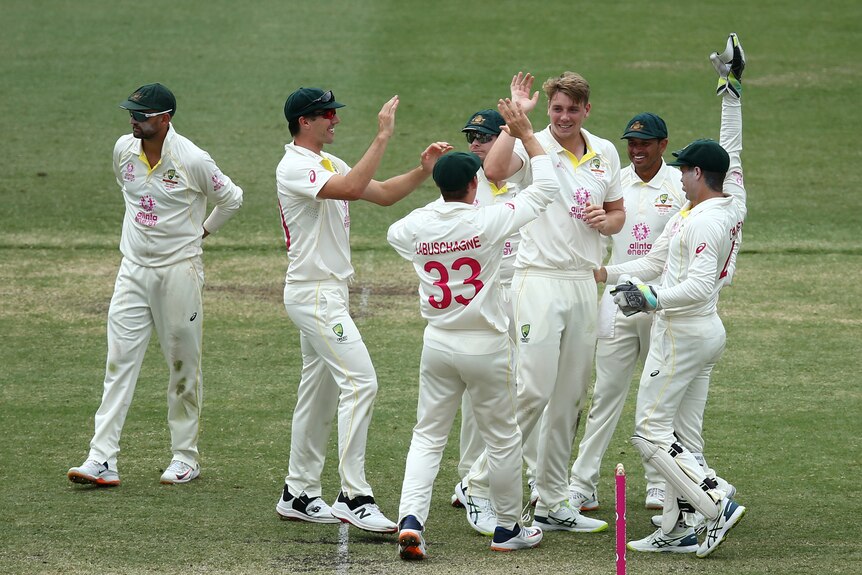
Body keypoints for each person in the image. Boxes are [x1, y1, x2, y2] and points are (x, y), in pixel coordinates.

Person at [273, 87, 450, 534]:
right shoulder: (294, 165)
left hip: (327, 291)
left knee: (319, 393)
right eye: (326, 114)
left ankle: (298, 492)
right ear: (304, 121)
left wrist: (422, 171)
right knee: (361, 382)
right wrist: (383, 135)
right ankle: (354, 495)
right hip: (315, 294)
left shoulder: (326, 163)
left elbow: (384, 194)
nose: (335, 120)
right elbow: (353, 190)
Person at [599, 33, 747, 558]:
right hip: (701, 333)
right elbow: (654, 261)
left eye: (684, 168)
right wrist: (600, 272)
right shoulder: (723, 200)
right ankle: (678, 524)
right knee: (685, 434)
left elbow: (696, 285)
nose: (678, 173)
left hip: (684, 331)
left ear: (697, 176)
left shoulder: (704, 224)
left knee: (649, 433)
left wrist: (650, 299)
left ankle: (714, 505)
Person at [388, 98, 554, 560]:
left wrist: (433, 182)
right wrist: (529, 138)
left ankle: (411, 521)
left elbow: (396, 233)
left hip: (438, 344)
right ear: (475, 182)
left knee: (427, 436)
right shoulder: (489, 220)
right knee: (502, 440)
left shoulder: (415, 226)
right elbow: (545, 191)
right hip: (484, 345)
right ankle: (506, 528)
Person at [462, 71, 624, 535]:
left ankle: (553, 499)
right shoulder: (530, 144)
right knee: (532, 388)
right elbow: (493, 171)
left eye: (573, 109)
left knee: (570, 397)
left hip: (582, 283)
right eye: (557, 109)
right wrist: (517, 123)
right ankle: (478, 486)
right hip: (537, 280)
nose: (565, 117)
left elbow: (617, 214)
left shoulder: (605, 152)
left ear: (586, 110)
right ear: (548, 108)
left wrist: (606, 222)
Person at [68, 83, 244, 487]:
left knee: (182, 365)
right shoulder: (122, 151)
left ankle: (185, 457)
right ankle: (101, 457)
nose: (133, 119)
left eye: (141, 115)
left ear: (165, 118)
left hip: (178, 273)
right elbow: (132, 199)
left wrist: (201, 232)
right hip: (131, 271)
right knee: (118, 363)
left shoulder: (192, 159)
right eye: (131, 112)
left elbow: (232, 198)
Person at [567, 112, 685, 512]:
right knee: (605, 395)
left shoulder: (680, 186)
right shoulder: (615, 180)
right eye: (631, 144)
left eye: (644, 144)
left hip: (662, 305)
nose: (636, 150)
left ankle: (658, 481)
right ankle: (582, 483)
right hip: (617, 302)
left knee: (658, 401)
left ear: (662, 145)